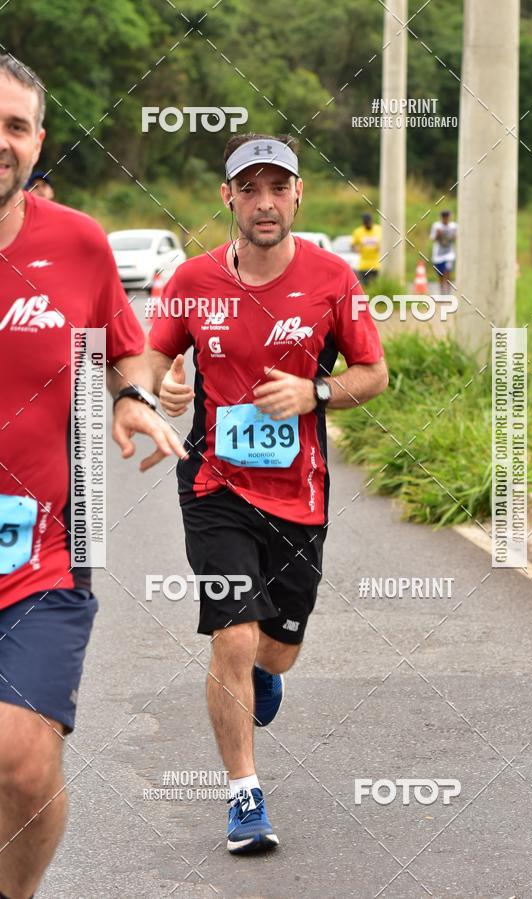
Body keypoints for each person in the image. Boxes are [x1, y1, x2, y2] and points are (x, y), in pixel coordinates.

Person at [149, 132, 388, 854]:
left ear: (297, 195)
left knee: (275, 651)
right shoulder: (191, 280)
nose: (263, 202)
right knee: (232, 630)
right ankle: (244, 794)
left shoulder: (332, 278)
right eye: (248, 189)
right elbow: (154, 358)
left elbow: (372, 374)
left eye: (276, 188)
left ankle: (263, 669)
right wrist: (164, 382)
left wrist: (314, 389)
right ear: (227, 198)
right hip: (215, 484)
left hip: (299, 495)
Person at [0, 55, 187, 899]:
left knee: (25, 761)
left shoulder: (77, 243)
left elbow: (124, 347)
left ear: (39, 142)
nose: (2, 140)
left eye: (16, 125)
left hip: (40, 552)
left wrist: (136, 396)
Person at [429, 209, 457, 294]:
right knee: (440, 274)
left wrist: (452, 236)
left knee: (447, 272)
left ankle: (448, 292)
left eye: (447, 218)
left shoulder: (454, 226)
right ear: (441, 218)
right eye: (444, 218)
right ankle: (442, 292)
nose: (446, 219)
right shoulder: (436, 226)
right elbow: (432, 238)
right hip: (438, 255)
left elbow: (457, 237)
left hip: (449, 254)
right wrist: (438, 235)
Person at [351, 212, 382, 286]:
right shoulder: (358, 231)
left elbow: (385, 241)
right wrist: (356, 249)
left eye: (368, 222)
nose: (367, 225)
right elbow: (353, 245)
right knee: (364, 286)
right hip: (363, 265)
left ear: (371, 221)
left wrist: (381, 247)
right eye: (365, 223)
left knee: (375, 286)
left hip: (376, 264)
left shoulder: (378, 230)